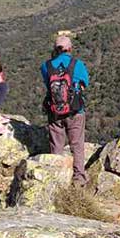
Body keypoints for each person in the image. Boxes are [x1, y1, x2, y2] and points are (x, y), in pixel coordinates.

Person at [40, 34, 90, 185]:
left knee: (56, 145)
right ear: (70, 48)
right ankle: (79, 178)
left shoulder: (46, 66)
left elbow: (48, 84)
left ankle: (56, 178)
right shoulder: (78, 64)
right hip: (75, 110)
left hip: (55, 111)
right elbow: (85, 84)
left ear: (55, 49)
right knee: (77, 145)